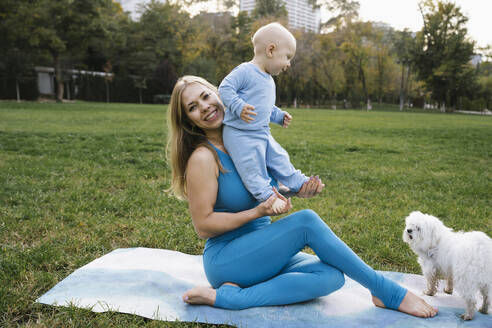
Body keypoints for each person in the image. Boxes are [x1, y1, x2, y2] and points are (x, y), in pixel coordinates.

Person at [166, 75, 438, 318]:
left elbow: (259, 192)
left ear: (218, 94)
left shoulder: (245, 139)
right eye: (192, 107)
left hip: (262, 253)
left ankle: (233, 296)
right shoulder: (204, 157)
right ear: (188, 120)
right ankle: (386, 292)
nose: (204, 107)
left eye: (205, 96)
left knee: (331, 275)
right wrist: (257, 212)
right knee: (306, 222)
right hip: (228, 259)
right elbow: (203, 226)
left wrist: (294, 190)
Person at [218, 22, 308, 212]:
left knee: (279, 156)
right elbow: (225, 88)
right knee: (252, 167)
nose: (288, 63)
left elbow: (265, 106)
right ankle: (266, 195)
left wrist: (278, 115)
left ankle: (296, 181)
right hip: (239, 134)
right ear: (271, 50)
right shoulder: (245, 70)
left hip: (260, 132)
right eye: (287, 57)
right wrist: (238, 106)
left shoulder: (268, 80)